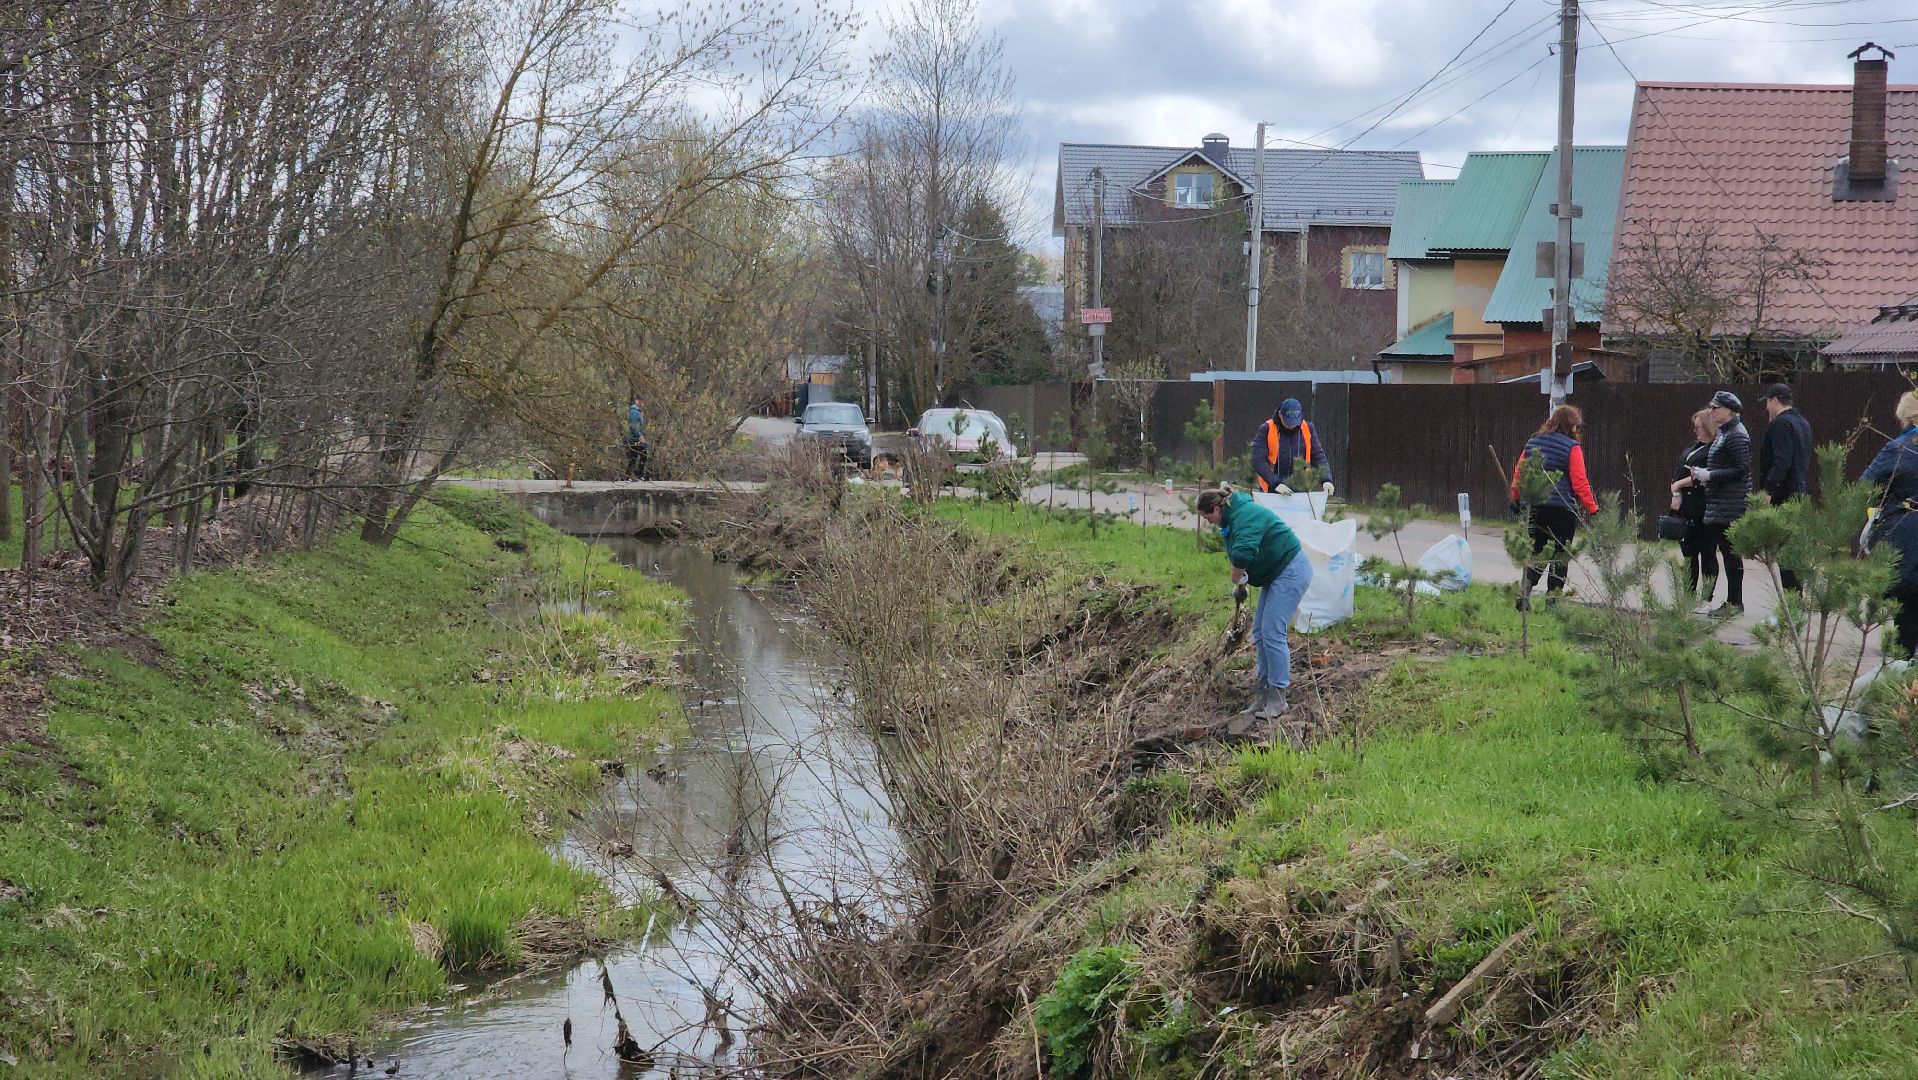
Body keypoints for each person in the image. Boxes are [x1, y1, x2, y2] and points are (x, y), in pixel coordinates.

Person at [1198, 488, 1314, 719]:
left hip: (1290, 570)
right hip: (1274, 573)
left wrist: (1236, 576)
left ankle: (1278, 697)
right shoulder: (1233, 518)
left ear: (1217, 508)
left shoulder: (1245, 515)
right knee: (1260, 632)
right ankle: (1263, 693)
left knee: (1273, 632)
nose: (1207, 522)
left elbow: (1243, 553)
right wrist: (1242, 584)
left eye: (1207, 516)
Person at [1508, 404, 1599, 610]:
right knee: (1560, 555)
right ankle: (1552, 603)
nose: (1577, 430)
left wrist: (1515, 498)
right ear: (1570, 426)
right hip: (1561, 509)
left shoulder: (1532, 443)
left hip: (1534, 506)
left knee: (1537, 551)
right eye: (1575, 426)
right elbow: (1579, 482)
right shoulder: (1571, 448)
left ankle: (1525, 589)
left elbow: (1519, 473)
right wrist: (1592, 508)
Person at [1674, 390, 1750, 618]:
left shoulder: (1736, 434)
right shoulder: (1726, 434)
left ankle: (1735, 602)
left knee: (1730, 554)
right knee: (1727, 553)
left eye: (1716, 408)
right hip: (1720, 502)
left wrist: (1709, 475)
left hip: (1730, 504)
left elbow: (1741, 470)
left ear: (1728, 410)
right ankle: (1731, 602)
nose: (1712, 411)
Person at [1862, 391, 1918, 657]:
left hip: (1906, 537)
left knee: (1906, 610)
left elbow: (1865, 485)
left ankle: (1904, 680)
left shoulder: (1899, 448)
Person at [1758, 383, 1813, 590]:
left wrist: (1768, 491)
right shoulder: (1803, 423)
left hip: (1782, 495)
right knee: (1794, 548)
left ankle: (1792, 598)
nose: (1766, 408)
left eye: (1767, 403)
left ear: (1773, 400)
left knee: (1785, 550)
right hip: (1798, 492)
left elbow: (1782, 460)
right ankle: (1796, 596)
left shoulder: (1780, 424)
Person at [1669, 409, 1717, 600]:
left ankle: (1706, 595)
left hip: (1703, 504)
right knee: (1689, 551)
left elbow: (1704, 475)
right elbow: (1681, 469)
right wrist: (1675, 489)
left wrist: (1680, 484)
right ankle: (1688, 594)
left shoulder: (1713, 450)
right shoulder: (1693, 445)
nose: (1695, 430)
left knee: (1707, 552)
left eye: (1698, 426)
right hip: (1687, 505)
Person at [1252, 397, 1334, 498]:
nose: (1291, 426)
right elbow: (1258, 460)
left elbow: (1318, 456)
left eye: (1294, 422)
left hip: (1301, 490)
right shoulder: (1266, 429)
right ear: (1280, 414)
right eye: (1288, 422)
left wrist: (1326, 479)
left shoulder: (1308, 429)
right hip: (1272, 490)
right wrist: (1275, 482)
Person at [624, 395, 649, 480]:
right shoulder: (634, 412)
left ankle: (630, 475)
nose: (642, 403)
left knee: (635, 456)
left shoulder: (638, 412)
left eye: (643, 401)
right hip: (635, 439)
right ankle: (638, 475)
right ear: (637, 401)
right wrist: (640, 437)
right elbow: (634, 427)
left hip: (637, 437)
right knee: (642, 455)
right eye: (640, 401)